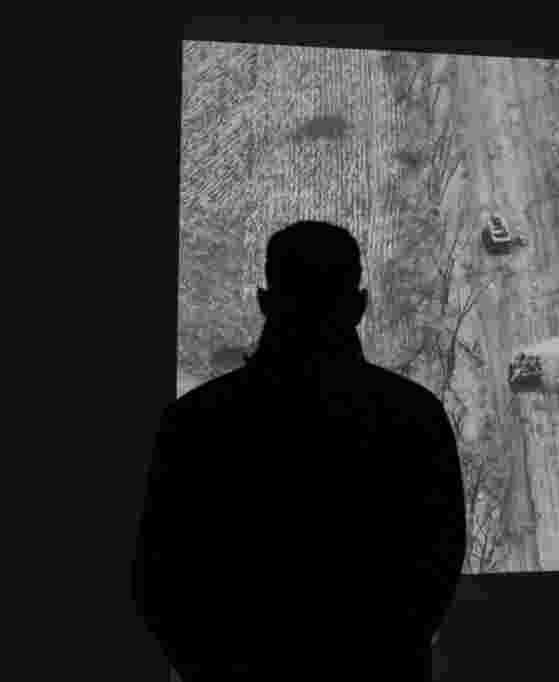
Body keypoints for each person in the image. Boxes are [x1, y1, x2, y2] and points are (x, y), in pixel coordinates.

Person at [132, 221, 468, 680]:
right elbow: (436, 571)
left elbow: (158, 583)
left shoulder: (192, 422)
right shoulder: (415, 417)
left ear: (264, 302)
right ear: (359, 305)